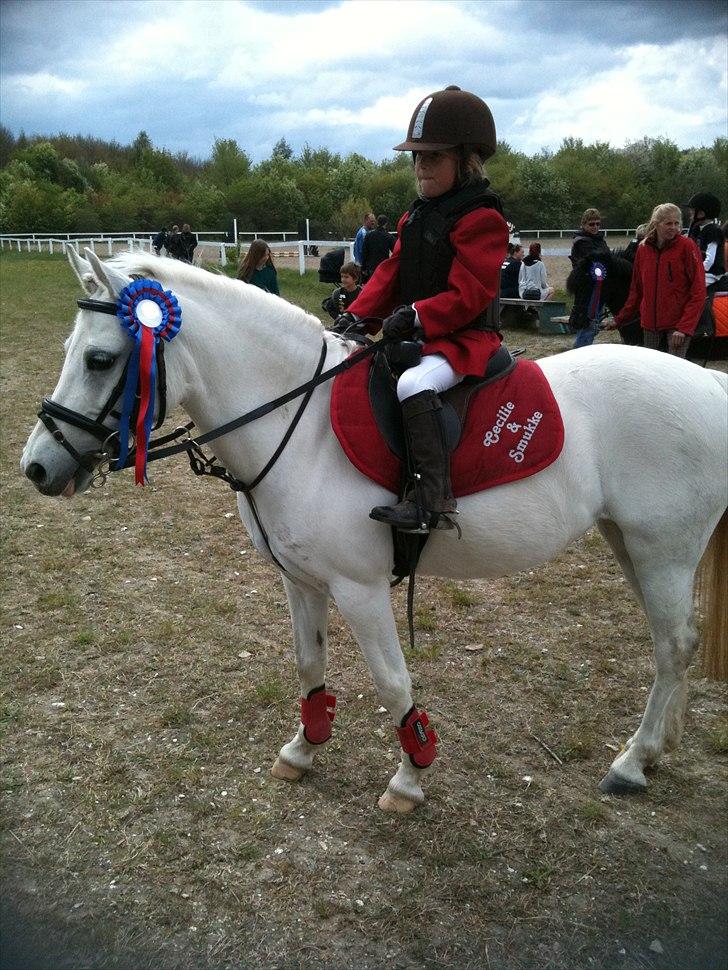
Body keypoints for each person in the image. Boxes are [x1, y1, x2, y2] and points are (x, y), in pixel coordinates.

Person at [333, 84, 508, 532]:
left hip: (465, 340)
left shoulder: (482, 218)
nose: (421, 167)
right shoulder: (416, 216)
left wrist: (417, 315)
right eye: (417, 158)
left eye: (433, 157)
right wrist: (358, 315)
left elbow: (470, 293)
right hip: (425, 334)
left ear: (465, 161)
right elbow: (391, 273)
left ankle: (433, 502)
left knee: (413, 384)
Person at [605, 203, 705, 357]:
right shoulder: (643, 249)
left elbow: (698, 291)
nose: (673, 227)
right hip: (650, 325)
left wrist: (684, 328)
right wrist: (619, 319)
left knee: (674, 371)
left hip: (677, 325)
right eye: (668, 223)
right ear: (656, 224)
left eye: (676, 223)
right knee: (651, 373)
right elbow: (636, 291)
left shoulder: (687, 247)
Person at [568, 208, 610, 347]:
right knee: (588, 325)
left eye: (598, 224)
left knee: (593, 325)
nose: (595, 227)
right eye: (592, 224)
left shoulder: (599, 240)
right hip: (587, 290)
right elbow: (596, 261)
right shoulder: (581, 242)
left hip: (599, 288)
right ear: (583, 224)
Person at [361, 215, 395, 282]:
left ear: (377, 222)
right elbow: (395, 250)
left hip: (371, 267)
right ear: (386, 224)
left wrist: (364, 268)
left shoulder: (369, 235)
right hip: (383, 266)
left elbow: (364, 252)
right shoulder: (389, 237)